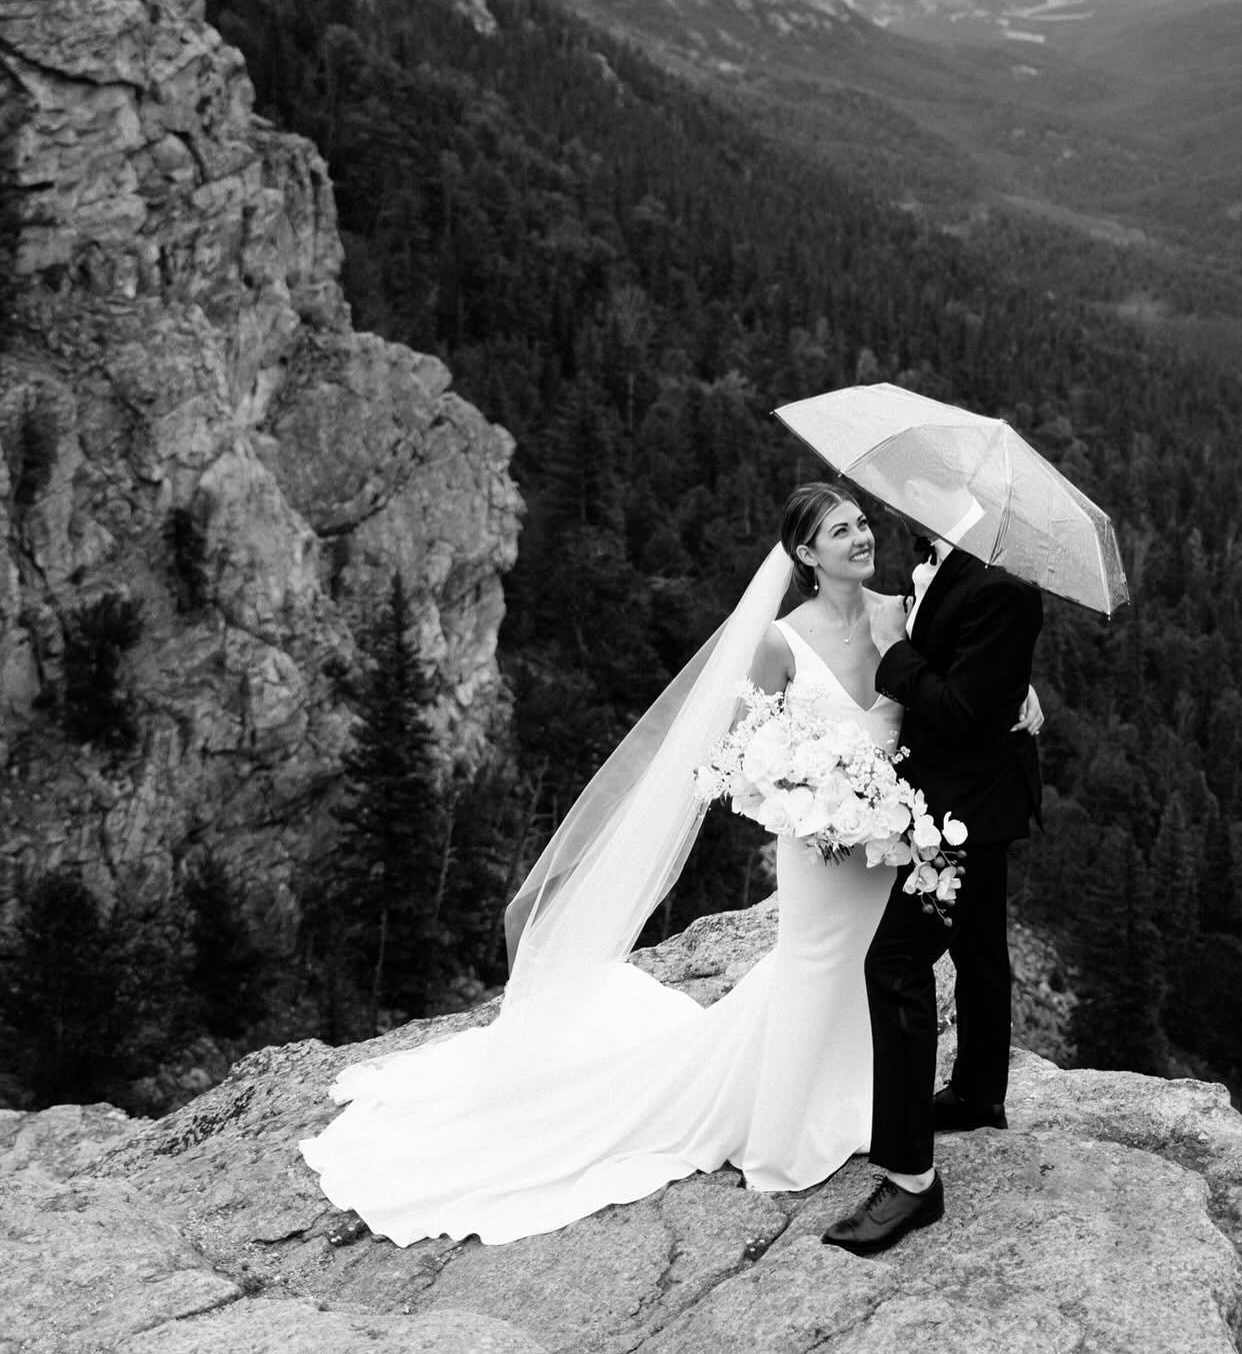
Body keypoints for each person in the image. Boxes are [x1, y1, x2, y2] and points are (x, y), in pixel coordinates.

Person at [300, 483, 901, 1244]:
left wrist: (1024, 699)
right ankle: (785, 1136)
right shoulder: (781, 642)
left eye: (864, 522)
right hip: (818, 845)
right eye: (840, 529)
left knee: (875, 967)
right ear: (807, 555)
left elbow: (950, 689)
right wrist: (811, 805)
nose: (861, 536)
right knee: (814, 964)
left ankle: (862, 1103)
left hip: (884, 840)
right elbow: (752, 755)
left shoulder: (897, 615)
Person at [822, 527, 1044, 1256]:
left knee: (894, 968)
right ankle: (980, 1094)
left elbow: (957, 707)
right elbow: (973, 673)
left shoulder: (1002, 587)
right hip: (960, 797)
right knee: (979, 946)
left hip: (963, 817)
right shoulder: (945, 566)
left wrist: (894, 655)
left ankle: (913, 1179)